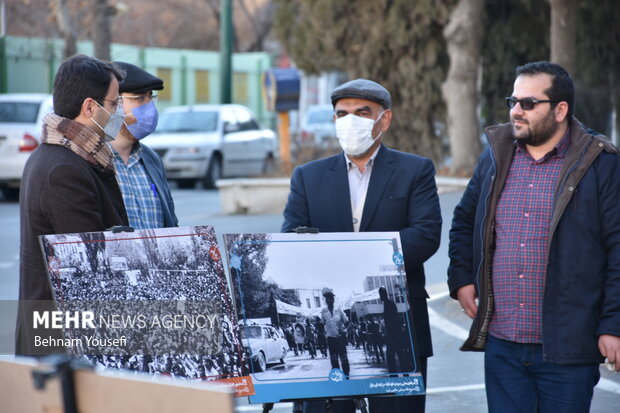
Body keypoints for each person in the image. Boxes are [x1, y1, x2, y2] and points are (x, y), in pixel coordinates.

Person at [448, 61, 620, 412]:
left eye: (528, 103)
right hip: (503, 344)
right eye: (513, 101)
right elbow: (466, 219)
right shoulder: (495, 156)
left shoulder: (600, 164)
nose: (516, 111)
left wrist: (613, 325)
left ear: (560, 110)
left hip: (568, 346)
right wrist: (461, 276)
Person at [282, 78, 441, 413]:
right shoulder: (308, 177)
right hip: (328, 347)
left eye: (362, 112)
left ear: (384, 120)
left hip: (401, 326)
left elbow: (425, 235)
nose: (350, 121)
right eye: (342, 113)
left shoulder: (415, 171)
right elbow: (291, 240)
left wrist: (357, 263)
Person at [16, 54, 129, 355]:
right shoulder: (64, 169)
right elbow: (90, 271)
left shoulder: (58, 156)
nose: (121, 112)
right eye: (115, 103)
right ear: (90, 107)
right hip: (65, 345)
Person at [110, 61, 177, 229]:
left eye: (150, 98)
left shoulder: (152, 159)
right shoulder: (89, 159)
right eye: (140, 98)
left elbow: (171, 226)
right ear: (114, 103)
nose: (150, 107)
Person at [320, 288, 350, 376]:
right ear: (326, 300)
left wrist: (345, 330)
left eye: (332, 297)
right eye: (328, 298)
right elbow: (322, 324)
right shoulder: (324, 311)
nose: (330, 299)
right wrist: (322, 332)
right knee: (334, 361)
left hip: (340, 339)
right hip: (331, 340)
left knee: (344, 360)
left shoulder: (339, 310)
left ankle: (347, 378)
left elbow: (348, 323)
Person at [379, 286, 407, 373]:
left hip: (392, 335)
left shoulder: (388, 304)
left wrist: (389, 334)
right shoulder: (389, 303)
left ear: (382, 295)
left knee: (391, 358)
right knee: (400, 355)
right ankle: (405, 374)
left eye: (380, 294)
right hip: (395, 334)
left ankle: (395, 375)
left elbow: (391, 320)